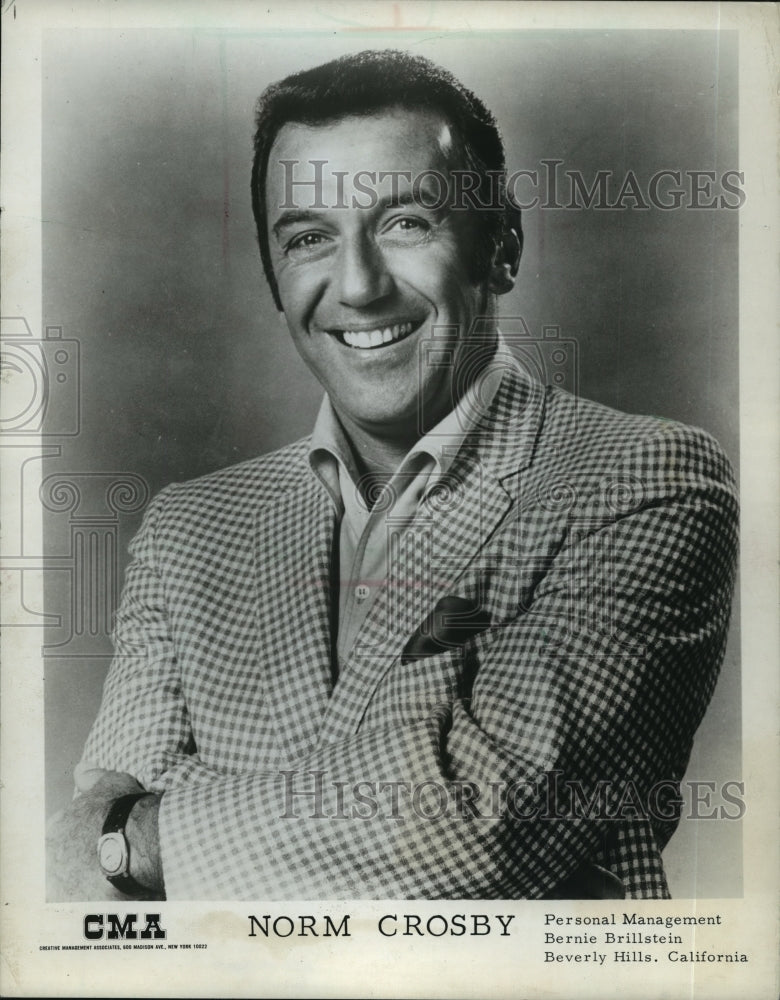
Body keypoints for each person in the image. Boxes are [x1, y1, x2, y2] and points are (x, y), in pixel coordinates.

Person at [46, 49, 738, 901]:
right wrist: (387, 783)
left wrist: (148, 836)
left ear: (503, 246)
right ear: (274, 278)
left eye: (406, 222)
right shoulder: (189, 530)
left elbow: (478, 823)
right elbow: (89, 868)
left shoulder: (646, 479)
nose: (360, 286)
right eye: (309, 238)